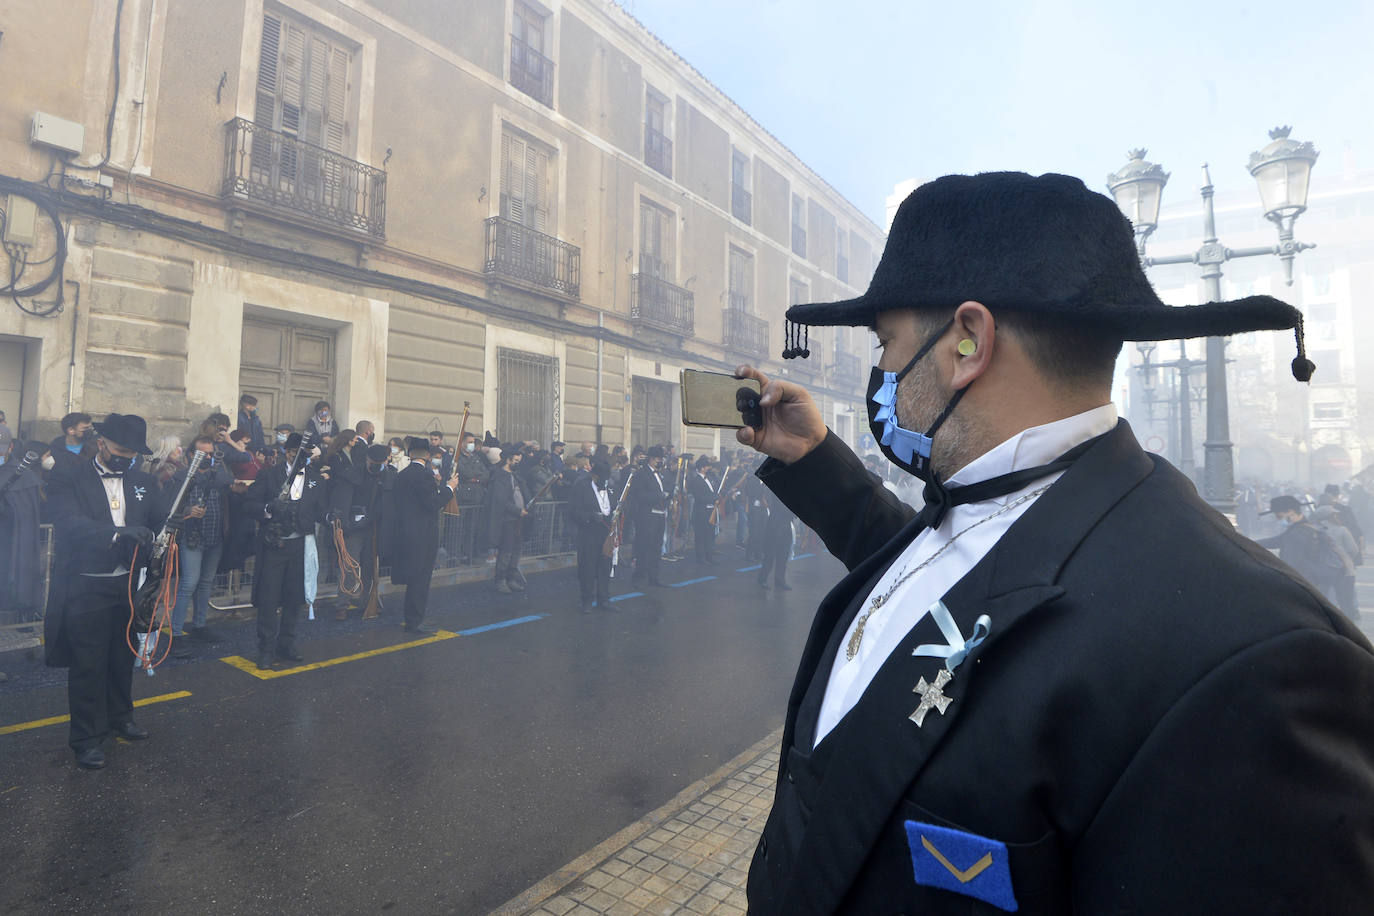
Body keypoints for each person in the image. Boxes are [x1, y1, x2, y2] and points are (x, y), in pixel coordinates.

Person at [734, 171, 1374, 913]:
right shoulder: (989, 502)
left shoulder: (1254, 660)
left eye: (886, 345)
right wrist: (812, 457)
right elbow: (947, 576)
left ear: (967, 343)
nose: (880, 375)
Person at [43, 414, 167, 769]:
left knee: (121, 656)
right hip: (86, 583)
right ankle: (86, 738)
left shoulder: (141, 480)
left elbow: (159, 515)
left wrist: (175, 519)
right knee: (88, 663)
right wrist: (115, 533)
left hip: (127, 582)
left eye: (133, 453)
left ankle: (120, 717)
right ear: (101, 443)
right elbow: (67, 522)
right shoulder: (69, 475)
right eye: (120, 449)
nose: (127, 457)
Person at [246, 432, 327, 670]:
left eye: (308, 455)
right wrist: (268, 508)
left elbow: (319, 509)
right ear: (289, 452)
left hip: (300, 545)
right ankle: (265, 649)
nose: (305, 458)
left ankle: (286, 644)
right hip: (274, 545)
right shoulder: (269, 475)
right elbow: (249, 505)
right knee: (269, 599)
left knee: (294, 598)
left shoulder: (315, 479)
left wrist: (330, 516)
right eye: (300, 453)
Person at [166, 435, 233, 655]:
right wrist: (187, 511)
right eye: (204, 454)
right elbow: (169, 507)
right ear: (192, 454)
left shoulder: (219, 475)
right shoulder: (181, 477)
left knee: (205, 583)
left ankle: (199, 626)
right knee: (189, 584)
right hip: (192, 537)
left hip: (215, 536)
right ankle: (175, 634)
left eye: (211, 454)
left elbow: (230, 486)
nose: (209, 458)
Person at [388, 437, 457, 633]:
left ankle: (412, 618)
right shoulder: (424, 476)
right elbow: (433, 503)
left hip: (405, 532)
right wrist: (449, 487)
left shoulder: (403, 475)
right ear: (427, 456)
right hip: (422, 535)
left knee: (413, 578)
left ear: (411, 454)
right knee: (420, 579)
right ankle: (415, 621)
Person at [0, 434, 46, 622]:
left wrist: (7, 508)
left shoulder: (24, 476)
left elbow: (27, 516)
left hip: (7, 544)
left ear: (10, 447)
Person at [570, 458, 615, 612]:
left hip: (606, 534)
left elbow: (615, 505)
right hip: (588, 534)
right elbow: (573, 511)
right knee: (587, 568)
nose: (605, 481)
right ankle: (587, 600)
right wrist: (590, 516)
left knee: (605, 567)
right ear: (595, 477)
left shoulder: (610, 488)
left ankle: (604, 599)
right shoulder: (581, 487)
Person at [485, 444, 528, 593]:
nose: (518, 463)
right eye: (515, 460)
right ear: (508, 460)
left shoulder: (515, 476)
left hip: (518, 520)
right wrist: (517, 510)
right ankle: (501, 580)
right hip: (506, 520)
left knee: (517, 550)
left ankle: (511, 578)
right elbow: (501, 501)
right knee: (506, 551)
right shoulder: (499, 477)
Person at [628, 445, 670, 586]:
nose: (660, 461)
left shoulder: (660, 474)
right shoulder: (642, 474)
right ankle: (639, 576)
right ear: (652, 459)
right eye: (659, 459)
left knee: (656, 548)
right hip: (646, 516)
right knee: (643, 547)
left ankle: (654, 577)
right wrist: (658, 495)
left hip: (659, 515)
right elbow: (639, 495)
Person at [757, 493, 795, 591]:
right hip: (775, 526)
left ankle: (780, 581)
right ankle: (763, 578)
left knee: (783, 555)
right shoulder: (777, 491)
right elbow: (782, 507)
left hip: (786, 525)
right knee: (770, 555)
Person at [688, 455, 720, 564]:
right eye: (707, 466)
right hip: (701, 512)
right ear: (702, 468)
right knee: (701, 536)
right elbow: (700, 497)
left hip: (710, 511)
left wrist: (717, 496)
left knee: (710, 535)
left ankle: (709, 556)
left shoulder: (709, 479)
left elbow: (711, 492)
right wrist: (714, 498)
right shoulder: (696, 480)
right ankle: (700, 558)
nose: (709, 468)